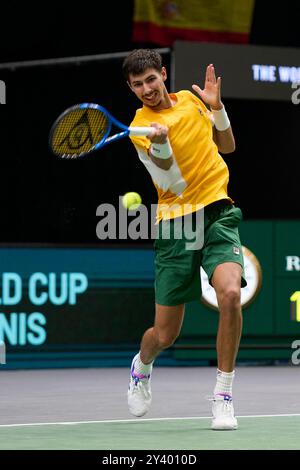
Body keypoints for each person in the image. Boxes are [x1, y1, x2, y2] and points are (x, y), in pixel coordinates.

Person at [122, 49, 246, 431]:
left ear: (162, 75)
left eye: (151, 80)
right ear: (131, 87)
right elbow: (171, 182)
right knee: (165, 334)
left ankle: (223, 396)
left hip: (219, 213)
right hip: (177, 227)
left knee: (229, 294)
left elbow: (228, 147)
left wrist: (218, 107)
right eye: (137, 84)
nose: (146, 89)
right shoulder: (138, 128)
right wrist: (159, 142)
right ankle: (141, 367)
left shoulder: (192, 100)